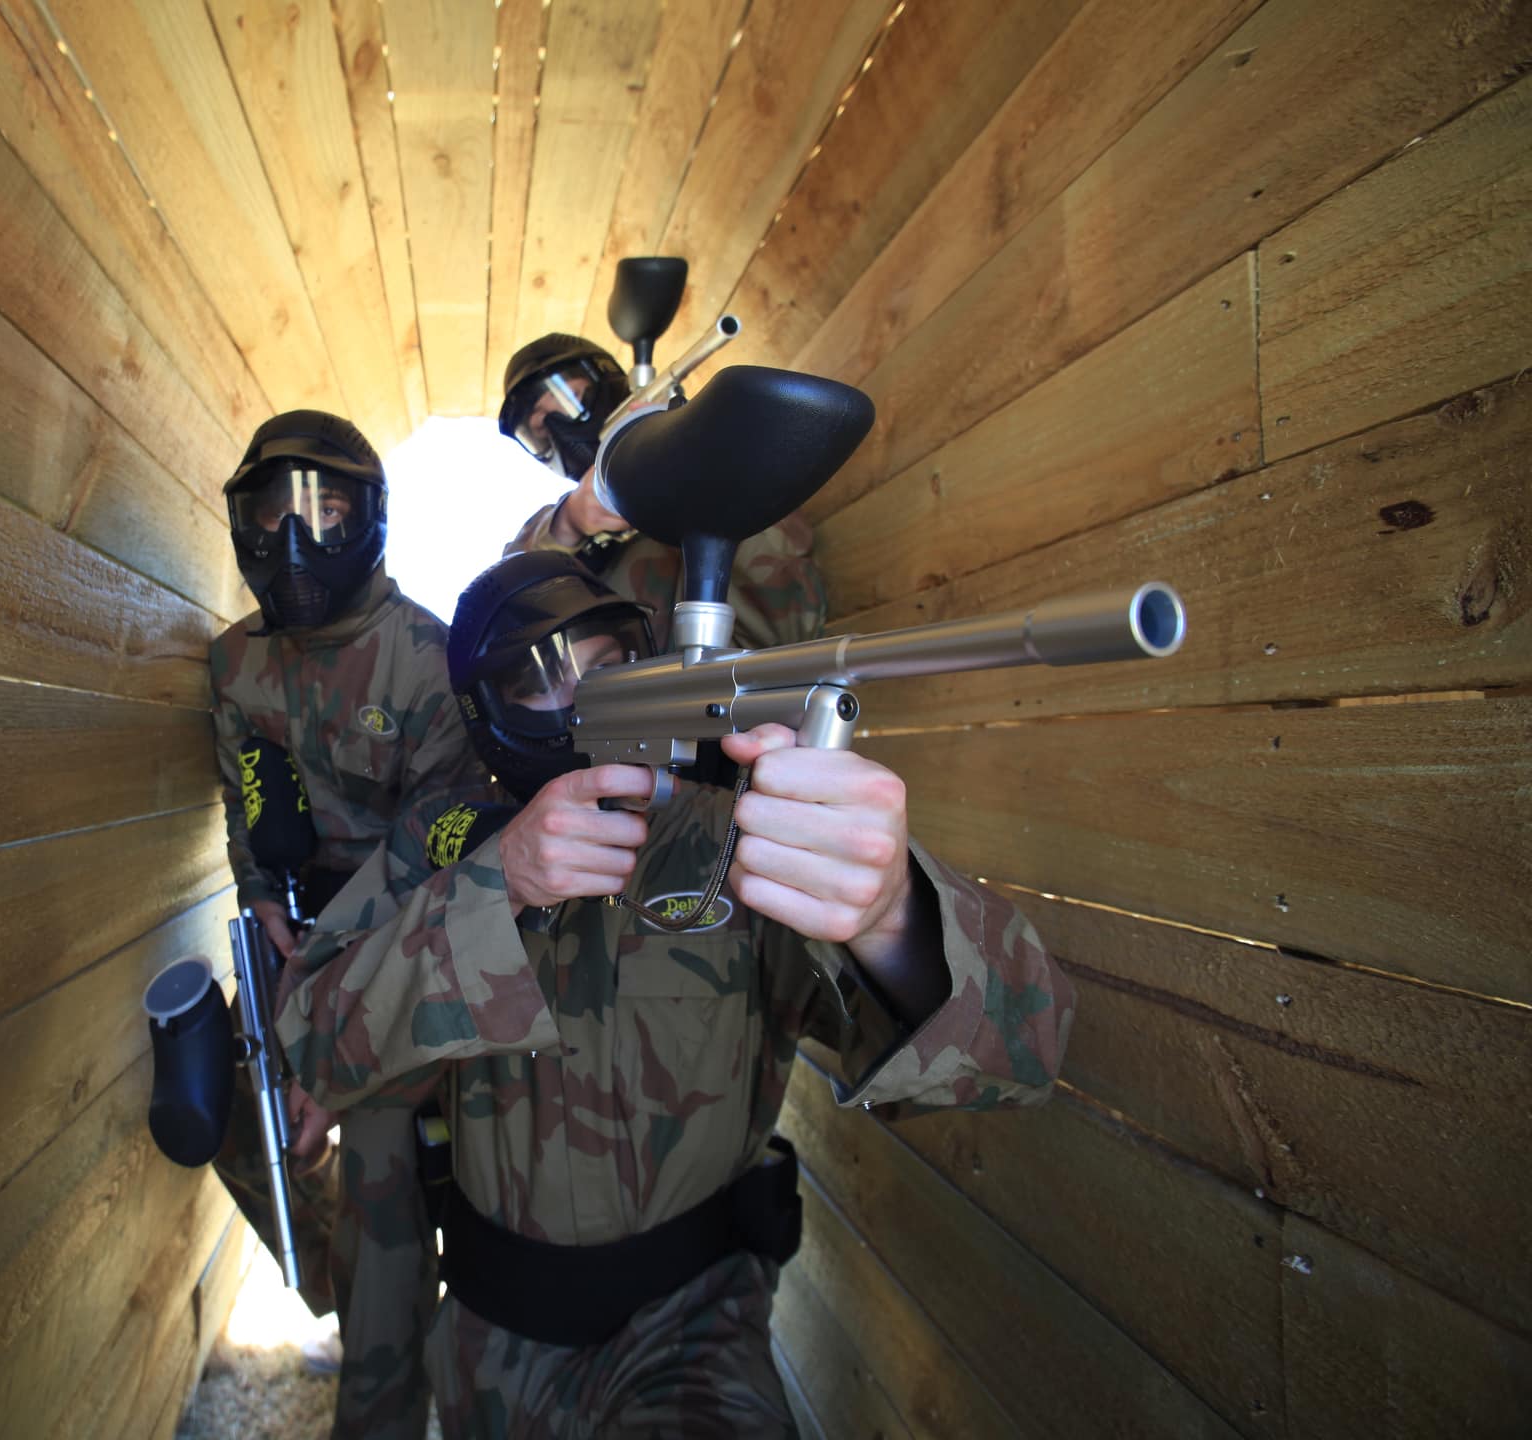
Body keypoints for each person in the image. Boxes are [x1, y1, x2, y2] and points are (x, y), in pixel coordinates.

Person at [276, 551, 1074, 1437]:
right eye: (537, 679)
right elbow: (313, 1040)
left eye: (608, 663)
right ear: (484, 713)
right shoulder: (443, 838)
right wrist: (493, 885)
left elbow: (1025, 1054)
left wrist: (893, 917)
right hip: (492, 1349)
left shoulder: (741, 838)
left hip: (693, 1336)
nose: (586, 697)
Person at [209, 409, 485, 1439]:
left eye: (325, 512)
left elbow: (442, 834)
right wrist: (260, 904)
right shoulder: (235, 664)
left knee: (375, 1167)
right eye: (271, 512)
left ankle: (385, 1366)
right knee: (236, 1117)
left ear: (369, 520)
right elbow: (247, 800)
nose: (295, 539)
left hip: (407, 939)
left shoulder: (427, 656)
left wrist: (327, 986)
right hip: (301, 926)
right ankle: (345, 1297)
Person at [498, 333, 826, 650]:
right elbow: (503, 605)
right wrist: (569, 523)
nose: (561, 431)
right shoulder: (550, 530)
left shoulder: (739, 466)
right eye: (541, 430)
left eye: (572, 401)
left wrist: (698, 469)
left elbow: (791, 628)